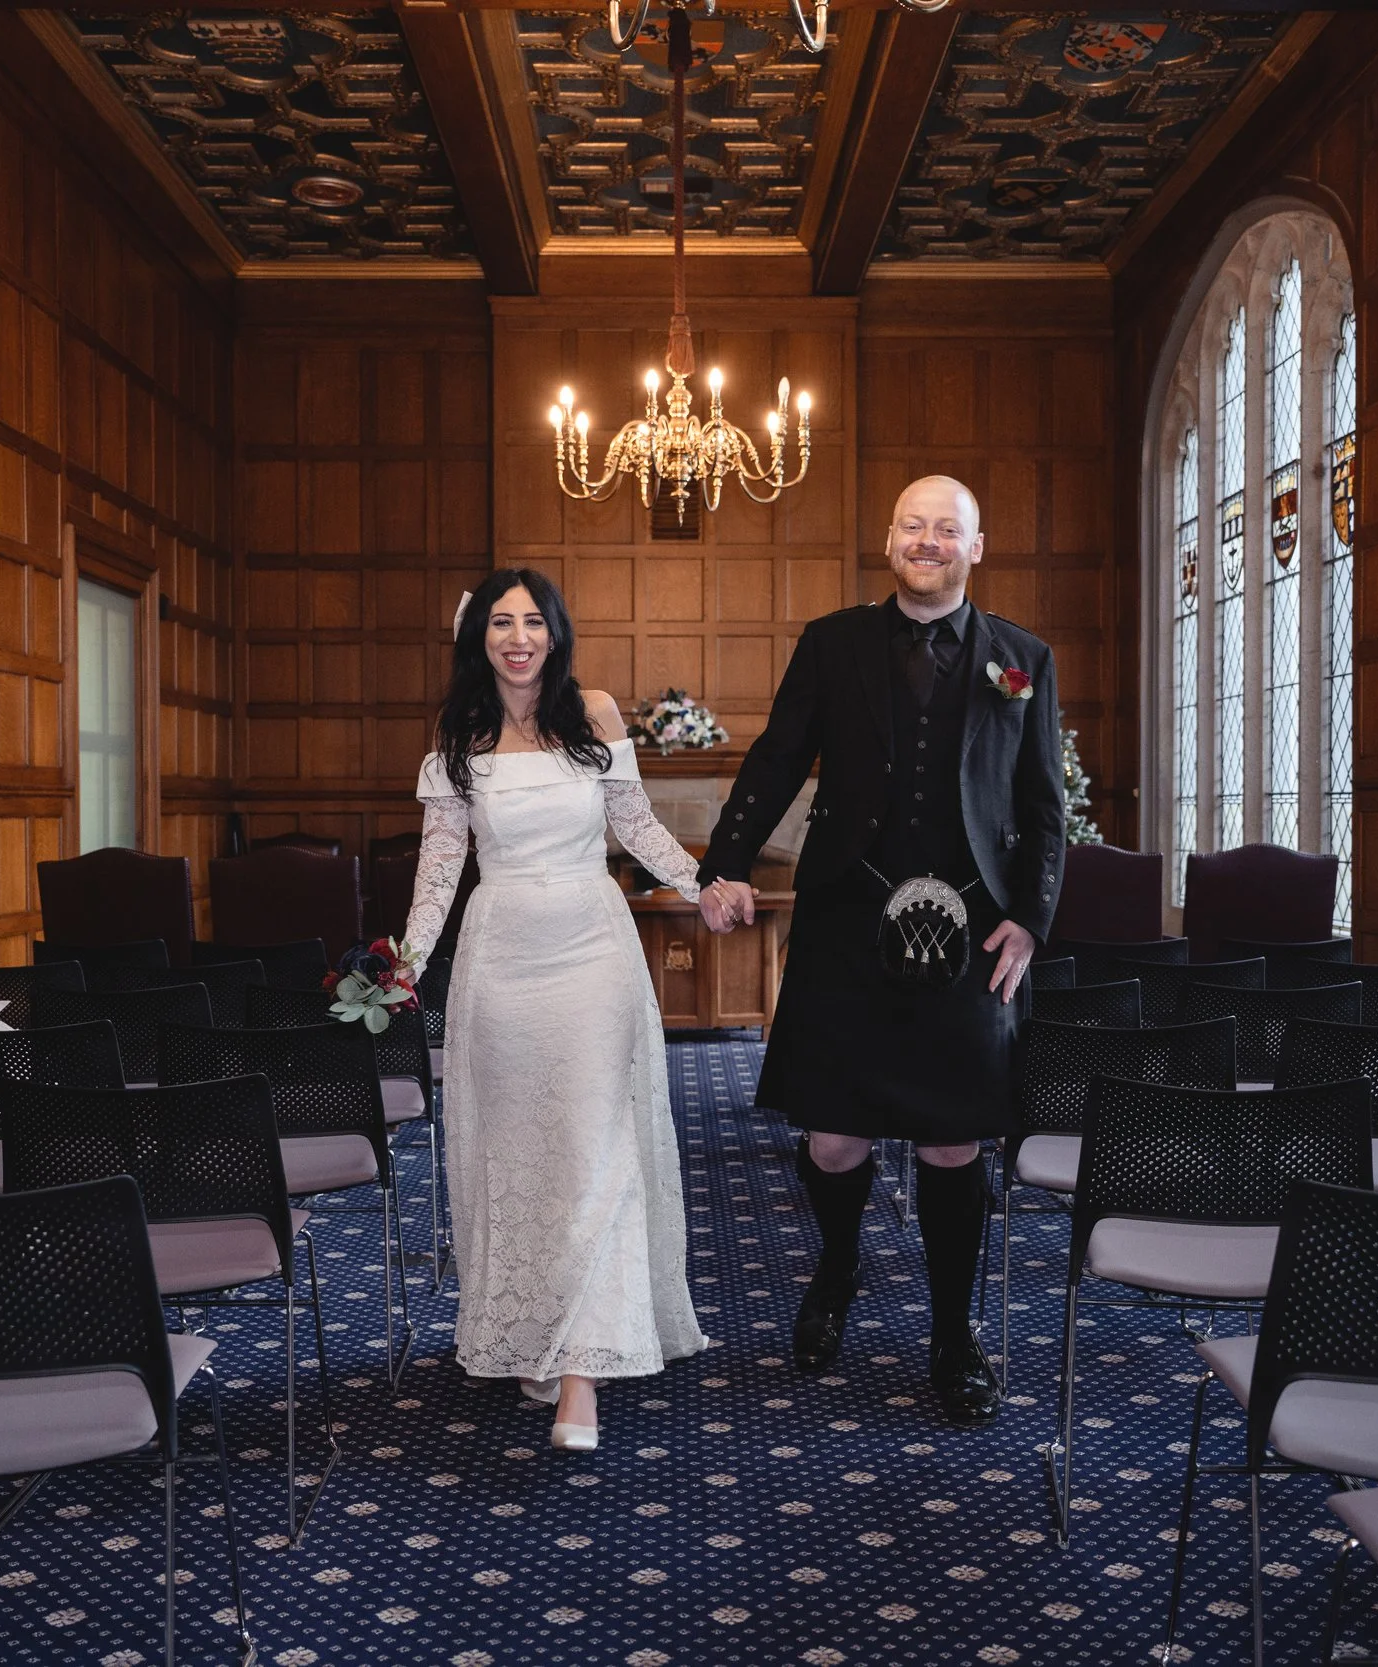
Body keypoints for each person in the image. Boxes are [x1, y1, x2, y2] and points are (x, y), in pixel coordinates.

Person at [696, 475, 1064, 1426]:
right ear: (888, 537)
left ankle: (953, 1331)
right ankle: (841, 1261)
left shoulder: (1023, 658)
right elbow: (779, 755)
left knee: (952, 1142)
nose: (929, 540)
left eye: (948, 529)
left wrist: (1032, 917)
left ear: (977, 547)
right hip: (848, 921)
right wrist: (724, 862)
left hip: (975, 932)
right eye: (913, 525)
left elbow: (1042, 808)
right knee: (831, 1134)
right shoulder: (832, 643)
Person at [401, 567, 708, 1452]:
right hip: (501, 960)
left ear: (556, 631)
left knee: (594, 1146)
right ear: (479, 639)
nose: (519, 636)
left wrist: (703, 883)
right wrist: (406, 961)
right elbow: (439, 865)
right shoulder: (458, 731)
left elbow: (638, 827)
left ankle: (582, 1372)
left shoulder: (597, 714)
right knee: (522, 1157)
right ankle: (541, 1329)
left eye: (533, 620)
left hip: (591, 954)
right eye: (502, 622)